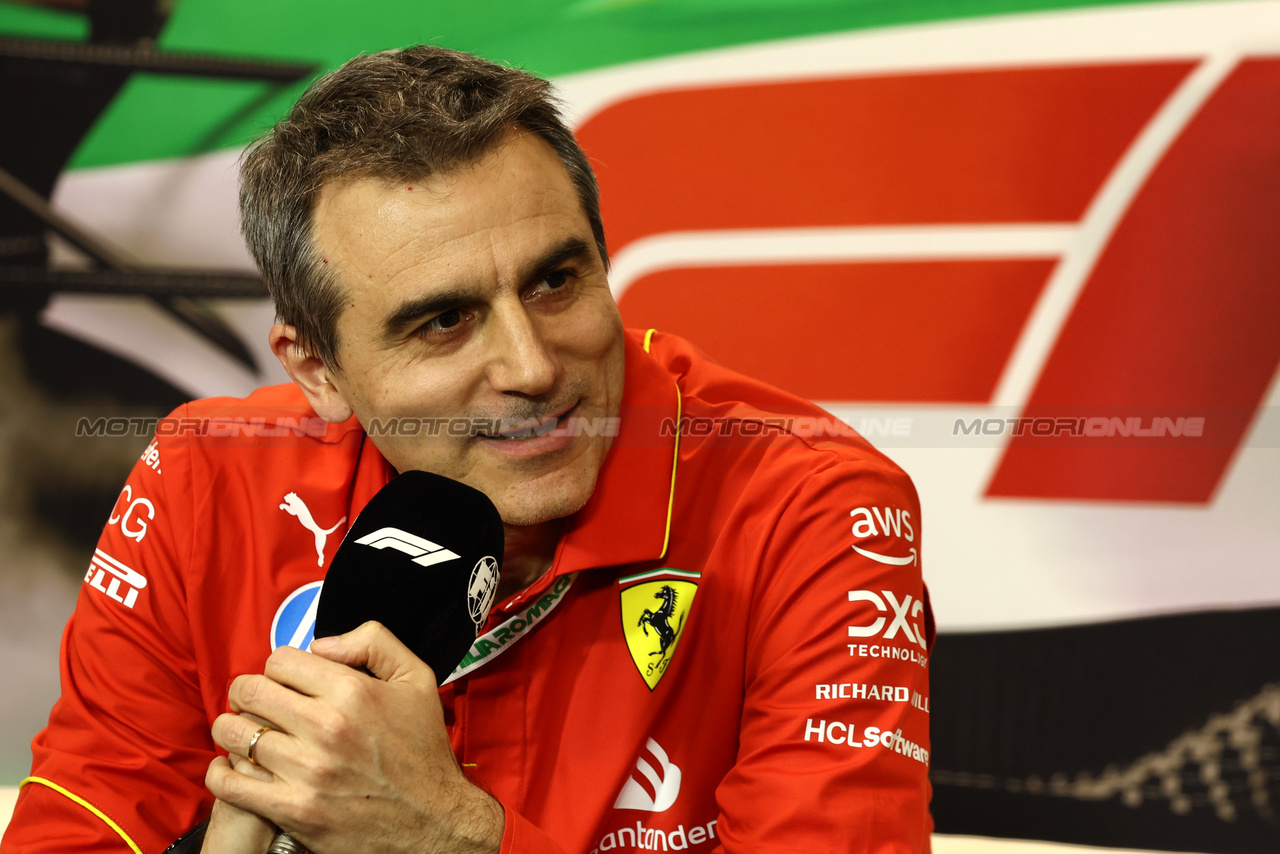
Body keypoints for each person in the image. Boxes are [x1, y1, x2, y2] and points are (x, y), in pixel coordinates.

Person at [1, 46, 933, 854]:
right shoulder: (210, 475)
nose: (531, 367)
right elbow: (84, 821)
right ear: (318, 369)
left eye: (557, 281)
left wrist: (445, 838)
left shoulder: (815, 506)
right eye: (444, 322)